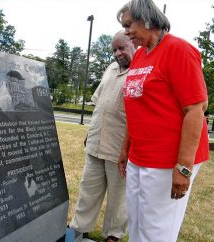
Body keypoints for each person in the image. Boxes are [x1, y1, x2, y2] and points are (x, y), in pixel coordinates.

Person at [116, 1, 209, 242]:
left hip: (168, 161)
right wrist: (126, 148)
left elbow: (195, 110)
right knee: (137, 222)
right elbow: (135, 107)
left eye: (128, 25)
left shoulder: (179, 50)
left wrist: (183, 168)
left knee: (157, 230)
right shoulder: (139, 56)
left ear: (146, 19)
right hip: (140, 156)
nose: (126, 31)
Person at [69, 31, 135, 242]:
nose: (117, 53)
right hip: (96, 142)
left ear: (134, 43)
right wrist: (90, 132)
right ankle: (79, 227)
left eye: (122, 48)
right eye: (114, 50)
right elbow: (99, 103)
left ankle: (113, 235)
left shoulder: (140, 72)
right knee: (88, 189)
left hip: (119, 148)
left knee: (119, 197)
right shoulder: (110, 68)